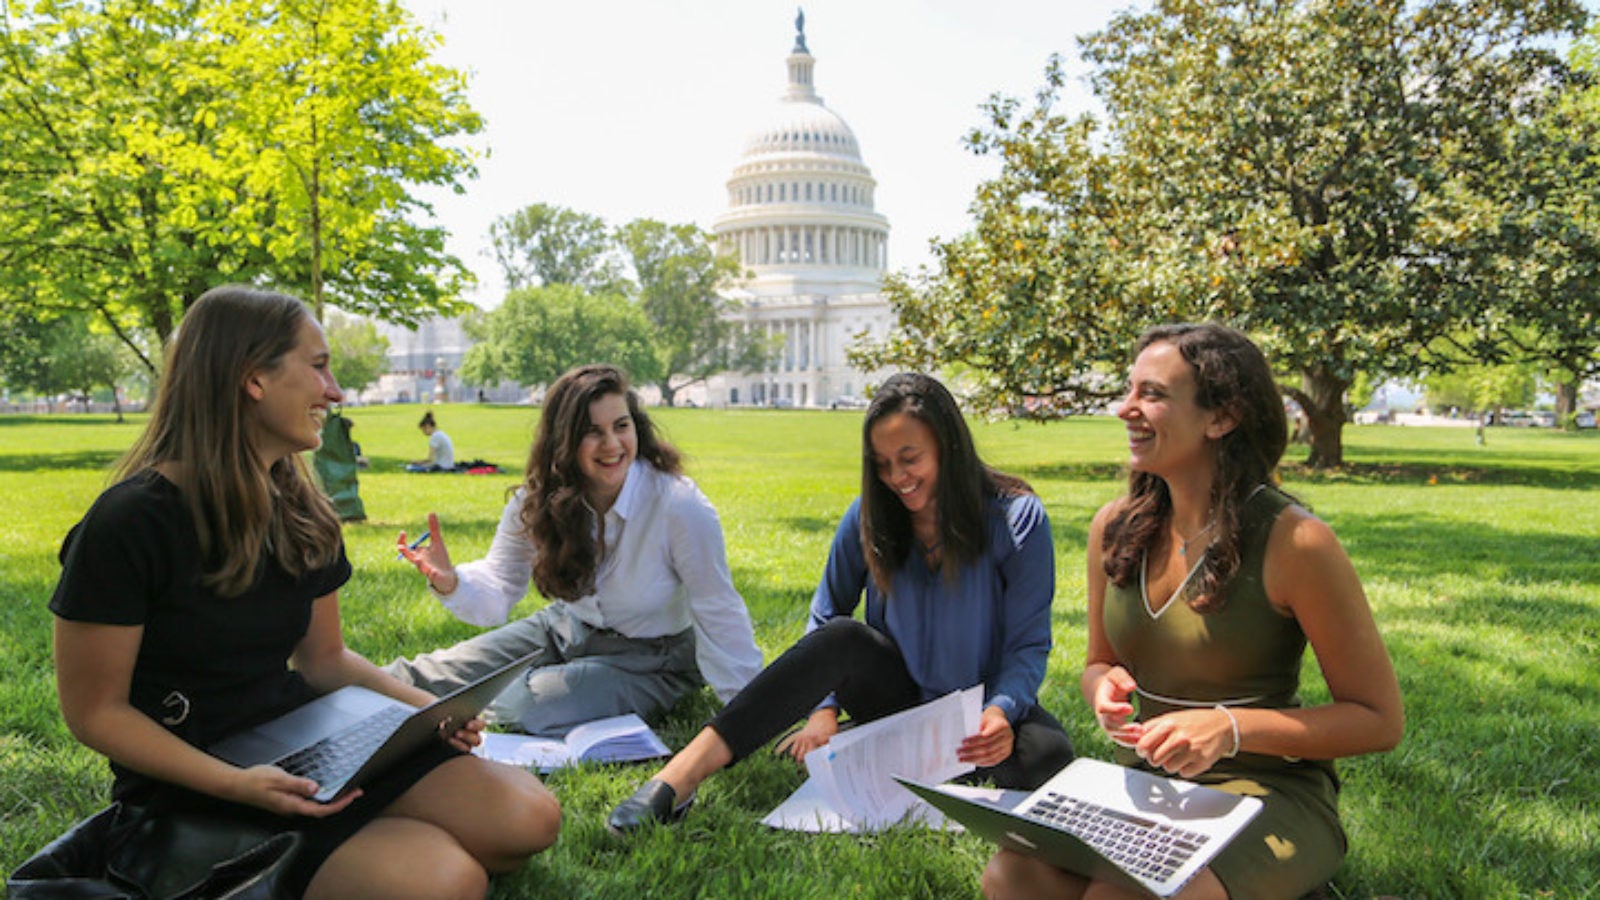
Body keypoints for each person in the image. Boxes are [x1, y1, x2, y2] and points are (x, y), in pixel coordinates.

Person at [46, 286, 560, 900]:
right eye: (317, 367)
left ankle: (362, 838)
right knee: (448, 881)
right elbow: (95, 712)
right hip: (194, 784)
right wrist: (235, 784)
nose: (336, 391)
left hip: (308, 746)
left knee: (532, 816)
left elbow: (323, 660)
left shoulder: (301, 509)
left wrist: (426, 716)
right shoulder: (131, 522)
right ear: (252, 379)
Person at [982, 323, 1404, 900]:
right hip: (1156, 787)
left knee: (1124, 895)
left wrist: (1229, 729)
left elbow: (1379, 719)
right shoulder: (1115, 527)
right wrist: (1103, 690)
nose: (1125, 408)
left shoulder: (1296, 542)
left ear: (1221, 417)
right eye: (1129, 390)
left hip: (1271, 790)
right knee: (1013, 872)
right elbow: (1098, 664)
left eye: (1151, 394)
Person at [608, 372, 1076, 834]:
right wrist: (824, 708)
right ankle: (677, 780)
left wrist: (1000, 712)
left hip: (974, 714)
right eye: (882, 463)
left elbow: (1027, 644)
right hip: (896, 701)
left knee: (1048, 756)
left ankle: (871, 752)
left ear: (948, 445)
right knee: (842, 637)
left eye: (909, 458)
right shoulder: (869, 517)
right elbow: (827, 614)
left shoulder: (1016, 518)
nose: (896, 478)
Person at [388, 363, 763, 737]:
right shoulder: (538, 500)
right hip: (563, 628)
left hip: (654, 659)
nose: (612, 445)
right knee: (431, 674)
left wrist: (753, 712)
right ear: (562, 441)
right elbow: (499, 586)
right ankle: (341, 696)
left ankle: (452, 709)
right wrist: (451, 582)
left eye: (621, 426)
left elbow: (718, 608)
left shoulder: (678, 505)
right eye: (592, 432)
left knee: (527, 706)